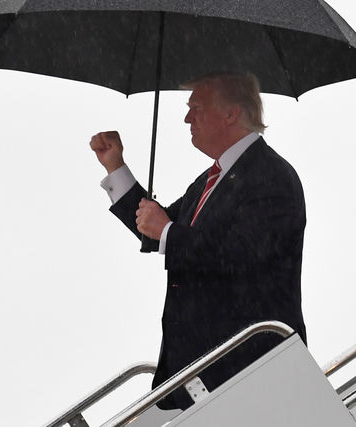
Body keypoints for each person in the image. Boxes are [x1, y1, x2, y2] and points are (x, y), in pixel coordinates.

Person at [89, 73, 307, 410]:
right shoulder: (211, 179)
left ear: (231, 113)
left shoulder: (272, 176)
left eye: (196, 107)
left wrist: (167, 232)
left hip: (248, 372)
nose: (187, 117)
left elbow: (244, 256)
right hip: (208, 376)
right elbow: (158, 228)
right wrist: (115, 167)